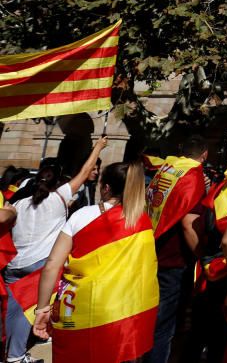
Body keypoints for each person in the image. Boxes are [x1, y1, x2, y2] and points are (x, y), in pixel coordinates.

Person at [32, 161, 159, 363]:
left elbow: (52, 265)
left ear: (106, 188)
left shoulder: (82, 215)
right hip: (121, 312)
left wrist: (42, 309)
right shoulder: (141, 221)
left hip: (77, 306)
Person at [2, 137, 106, 363]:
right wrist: (97, 147)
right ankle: (16, 357)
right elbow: (85, 171)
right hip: (38, 265)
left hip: (14, 265)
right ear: (58, 182)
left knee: (9, 311)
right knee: (27, 314)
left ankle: (8, 353)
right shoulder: (58, 199)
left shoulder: (19, 204)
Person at [146, 136, 210, 363]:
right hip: (174, 260)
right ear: (205, 155)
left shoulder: (168, 168)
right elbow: (188, 222)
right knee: (164, 325)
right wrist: (203, 257)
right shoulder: (193, 176)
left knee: (151, 316)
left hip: (153, 251)